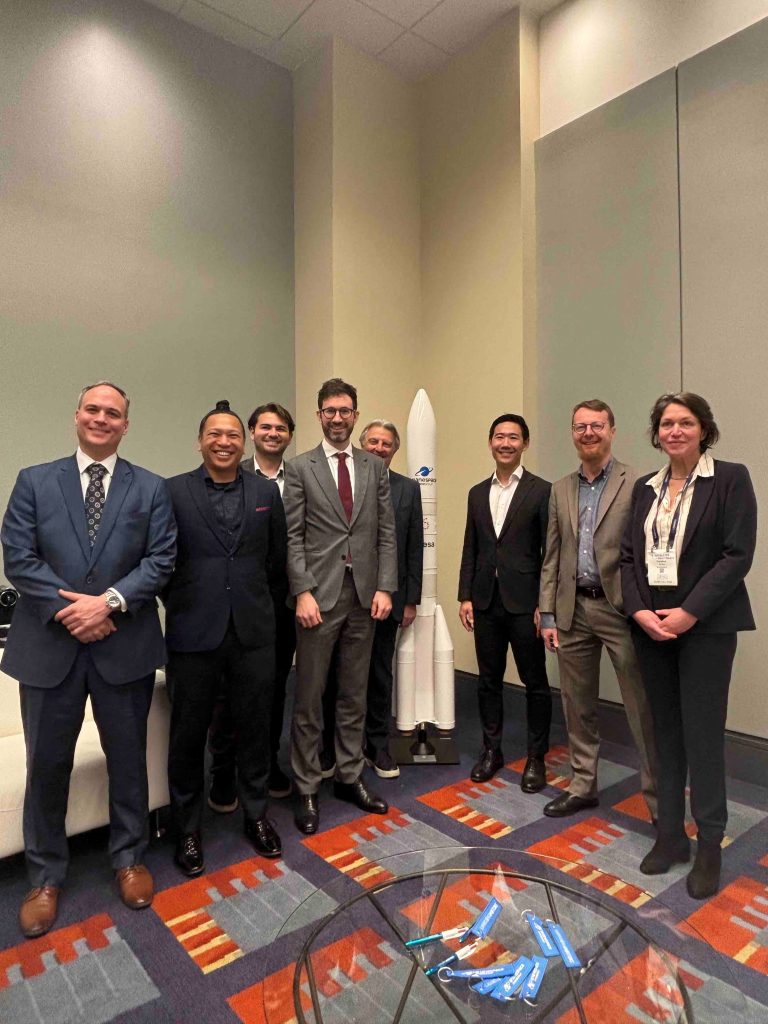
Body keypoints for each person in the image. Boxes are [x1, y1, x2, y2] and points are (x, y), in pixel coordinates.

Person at [1, 381, 176, 938]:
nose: (102, 418)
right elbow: (18, 556)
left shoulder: (150, 488)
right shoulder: (34, 481)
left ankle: (129, 858)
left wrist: (110, 603)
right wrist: (72, 610)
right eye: (93, 409)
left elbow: (161, 558)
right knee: (47, 765)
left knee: (128, 759)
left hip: (123, 645)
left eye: (113, 413)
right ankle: (45, 876)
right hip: (49, 650)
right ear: (77, 416)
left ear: (126, 425)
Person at [620, 392, 756, 899]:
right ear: (656, 434)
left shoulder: (731, 479)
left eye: (686, 422)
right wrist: (639, 611)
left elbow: (736, 556)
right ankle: (671, 836)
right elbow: (629, 557)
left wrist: (688, 613)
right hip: (651, 629)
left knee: (702, 736)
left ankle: (710, 844)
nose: (675, 431)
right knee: (664, 735)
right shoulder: (645, 488)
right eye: (666, 424)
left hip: (706, 629)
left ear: (704, 429)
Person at [163, 401, 287, 875]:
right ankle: (188, 829)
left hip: (253, 631)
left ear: (244, 441)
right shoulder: (173, 491)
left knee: (255, 728)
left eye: (233, 435)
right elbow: (163, 562)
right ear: (199, 441)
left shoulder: (265, 492)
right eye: (214, 434)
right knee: (188, 734)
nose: (224, 441)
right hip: (193, 632)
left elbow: (275, 561)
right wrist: (189, 603)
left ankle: (256, 815)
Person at [284, 378, 397, 835]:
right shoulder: (300, 468)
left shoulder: (374, 467)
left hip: (364, 597)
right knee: (310, 697)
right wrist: (301, 591)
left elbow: (385, 532)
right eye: (329, 411)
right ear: (319, 415)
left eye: (344, 411)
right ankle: (307, 784)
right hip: (318, 597)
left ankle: (350, 775)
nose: (337, 418)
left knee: (354, 692)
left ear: (355, 415)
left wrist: (386, 587)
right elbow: (292, 536)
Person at [539, 400, 657, 819]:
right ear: (572, 433)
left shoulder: (638, 484)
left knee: (642, 708)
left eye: (596, 425)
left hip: (621, 610)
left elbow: (646, 550)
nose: (588, 433)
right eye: (580, 427)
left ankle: (659, 803)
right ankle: (582, 785)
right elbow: (552, 555)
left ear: (612, 431)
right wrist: (547, 614)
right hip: (572, 610)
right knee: (577, 704)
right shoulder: (560, 489)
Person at [206, 402, 296, 810]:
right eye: (265, 427)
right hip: (229, 605)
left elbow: (284, 550)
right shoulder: (228, 472)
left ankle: (267, 763)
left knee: (271, 691)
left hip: (280, 604)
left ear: (289, 435)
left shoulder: (302, 477)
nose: (273, 433)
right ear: (252, 433)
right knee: (226, 695)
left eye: (281, 428)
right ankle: (223, 771)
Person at [321, 420, 423, 780]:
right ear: (361, 445)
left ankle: (376, 744)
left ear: (395, 450)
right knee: (336, 674)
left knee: (380, 674)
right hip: (344, 596)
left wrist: (410, 600)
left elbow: (413, 546)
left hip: (389, 598)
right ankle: (329, 746)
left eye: (387, 444)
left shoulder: (408, 489)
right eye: (373, 442)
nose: (380, 448)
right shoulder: (341, 482)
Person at [458, 414, 552, 792]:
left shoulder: (541, 491)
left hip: (526, 604)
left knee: (535, 682)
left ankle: (536, 757)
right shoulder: (477, 492)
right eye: (499, 437)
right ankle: (491, 750)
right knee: (488, 680)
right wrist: (465, 595)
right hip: (485, 602)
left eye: (514, 437)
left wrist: (545, 604)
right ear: (490, 442)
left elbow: (549, 553)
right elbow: (471, 546)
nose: (506, 443)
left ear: (525, 443)